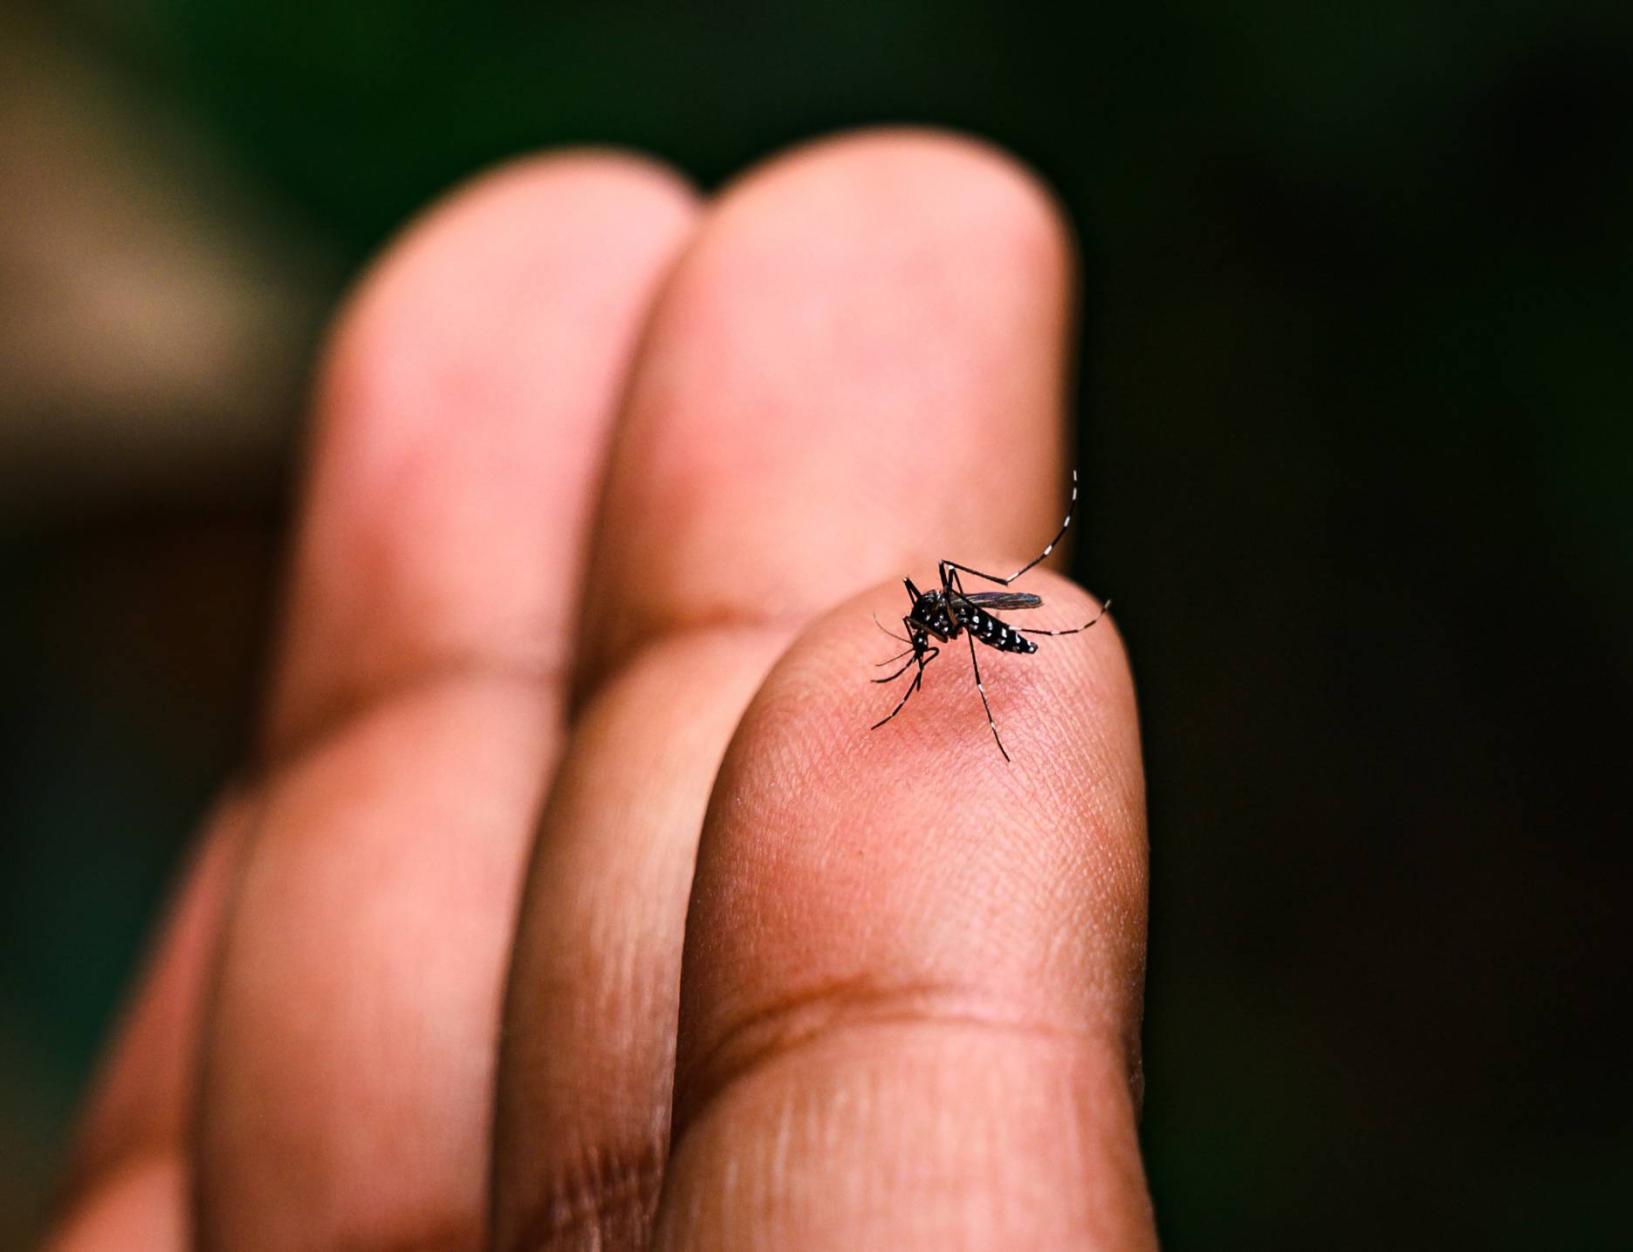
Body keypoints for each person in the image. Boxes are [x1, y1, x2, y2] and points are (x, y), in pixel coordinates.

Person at [47, 128, 1153, 1249]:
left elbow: (951, 631)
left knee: (961, 621)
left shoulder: (956, 627)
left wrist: (954, 660)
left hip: (1001, 654)